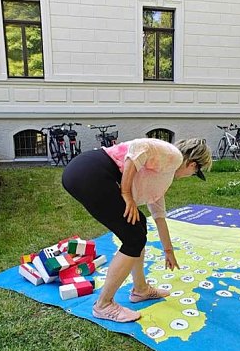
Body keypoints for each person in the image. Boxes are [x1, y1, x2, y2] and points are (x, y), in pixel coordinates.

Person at [61, 138, 212, 323]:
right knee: (134, 237)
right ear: (193, 165)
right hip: (91, 172)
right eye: (195, 173)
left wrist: (169, 251)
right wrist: (125, 193)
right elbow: (139, 148)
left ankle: (140, 290)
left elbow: (158, 215)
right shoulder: (173, 156)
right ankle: (103, 305)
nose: (190, 175)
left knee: (139, 225)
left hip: (87, 171)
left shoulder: (163, 172)